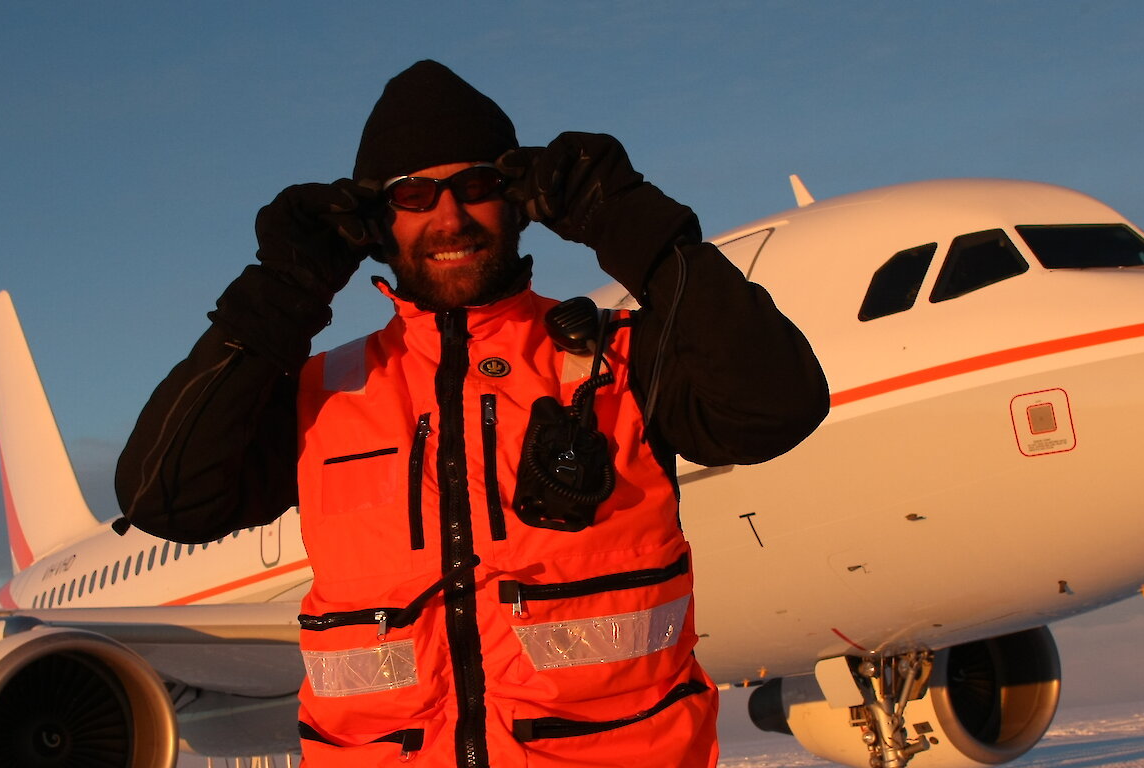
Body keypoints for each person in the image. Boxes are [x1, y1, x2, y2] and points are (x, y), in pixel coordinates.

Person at [114, 60, 828, 768]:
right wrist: (281, 292)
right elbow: (165, 498)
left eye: (477, 187)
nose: (449, 217)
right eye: (415, 194)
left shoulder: (620, 362)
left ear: (518, 200)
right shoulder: (320, 395)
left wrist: (634, 225)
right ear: (377, 222)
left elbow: (775, 408)